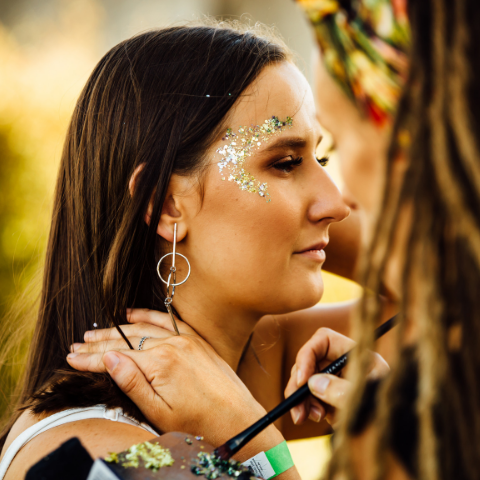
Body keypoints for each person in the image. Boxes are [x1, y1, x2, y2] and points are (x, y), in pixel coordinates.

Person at [0, 20, 395, 480]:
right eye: (285, 162)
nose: (336, 203)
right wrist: (258, 441)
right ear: (166, 204)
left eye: (320, 159)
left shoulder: (258, 367)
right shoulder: (96, 454)